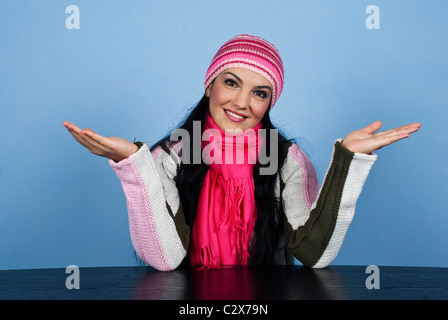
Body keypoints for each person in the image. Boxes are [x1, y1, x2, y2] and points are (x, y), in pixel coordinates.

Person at [63, 34, 421, 271]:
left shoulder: (286, 160)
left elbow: (314, 255)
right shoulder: (172, 155)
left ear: (269, 103)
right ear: (210, 85)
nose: (241, 102)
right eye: (231, 82)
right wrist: (133, 166)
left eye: (260, 92)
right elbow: (164, 259)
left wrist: (348, 161)